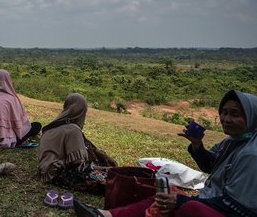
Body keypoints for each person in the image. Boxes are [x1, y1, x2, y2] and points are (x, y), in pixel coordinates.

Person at [74, 89, 257, 217]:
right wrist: (197, 146)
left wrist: (182, 202)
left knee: (189, 208)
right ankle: (106, 215)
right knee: (164, 194)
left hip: (228, 210)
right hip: (211, 199)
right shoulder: (234, 140)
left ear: (251, 117)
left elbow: (236, 207)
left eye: (235, 114)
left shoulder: (251, 155)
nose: (226, 119)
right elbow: (210, 165)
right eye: (224, 112)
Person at [38, 93, 117, 195]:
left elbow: (86, 148)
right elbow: (79, 166)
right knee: (109, 184)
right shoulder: (73, 129)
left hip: (46, 169)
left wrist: (101, 157)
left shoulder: (56, 124)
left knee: (100, 160)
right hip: (55, 173)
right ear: (82, 111)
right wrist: (103, 169)